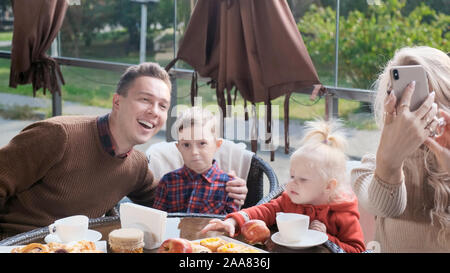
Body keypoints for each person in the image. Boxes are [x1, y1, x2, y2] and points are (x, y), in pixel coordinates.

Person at [0, 62, 247, 239]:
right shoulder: (58, 135)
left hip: (84, 246)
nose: (154, 111)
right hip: (20, 243)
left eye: (163, 105)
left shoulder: (137, 166)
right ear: (117, 102)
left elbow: (167, 202)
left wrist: (229, 189)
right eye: (145, 100)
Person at [202, 119, 366, 253]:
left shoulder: (342, 213)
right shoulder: (289, 199)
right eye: (292, 176)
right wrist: (233, 222)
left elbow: (357, 250)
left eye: (302, 179)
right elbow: (262, 211)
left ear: (328, 186)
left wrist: (327, 239)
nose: (291, 183)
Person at [351, 46, 450, 252]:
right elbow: (386, 205)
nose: (409, 109)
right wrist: (389, 160)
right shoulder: (371, 168)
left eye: (420, 97)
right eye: (397, 94)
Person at [153, 107, 239, 214]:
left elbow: (230, 225)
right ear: (178, 148)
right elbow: (157, 222)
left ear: (217, 145)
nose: (194, 152)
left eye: (202, 143)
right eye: (186, 145)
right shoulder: (167, 182)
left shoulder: (229, 186)